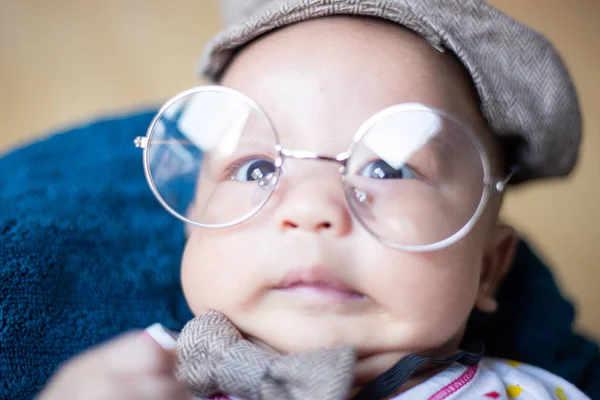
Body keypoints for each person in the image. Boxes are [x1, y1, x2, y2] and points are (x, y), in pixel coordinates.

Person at [36, 1, 590, 399]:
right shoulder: (144, 377)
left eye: (387, 168)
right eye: (256, 169)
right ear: (192, 229)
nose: (311, 210)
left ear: (490, 269)